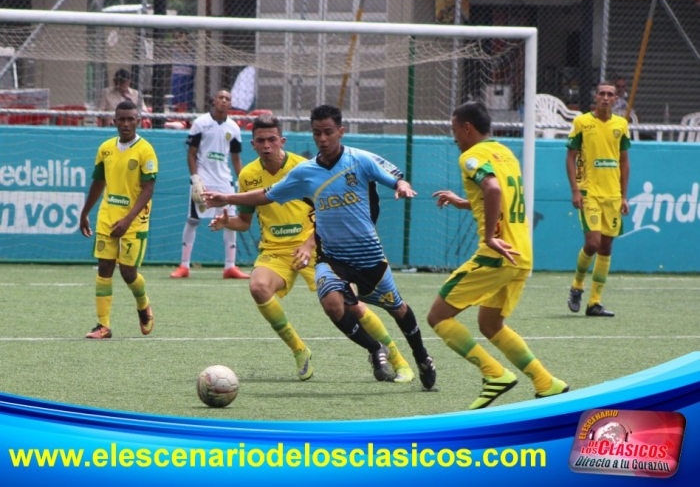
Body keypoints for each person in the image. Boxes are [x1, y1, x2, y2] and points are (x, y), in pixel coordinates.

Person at [203, 104, 437, 389]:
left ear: (340, 131)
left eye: (328, 132)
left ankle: (411, 358)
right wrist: (227, 203)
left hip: (347, 251)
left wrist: (401, 185)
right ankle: (352, 350)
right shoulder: (301, 172)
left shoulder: (354, 160)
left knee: (384, 308)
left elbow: (394, 177)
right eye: (317, 133)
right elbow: (264, 197)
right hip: (311, 254)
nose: (323, 139)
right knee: (321, 302)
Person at [428, 102, 569, 409]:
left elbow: (492, 189)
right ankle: (546, 382)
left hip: (498, 253)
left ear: (467, 128)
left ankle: (494, 374)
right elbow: (499, 193)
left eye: (455, 130)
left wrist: (490, 237)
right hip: (521, 253)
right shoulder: (504, 153)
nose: (454, 137)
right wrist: (463, 202)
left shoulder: (471, 156)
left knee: (437, 316)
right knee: (490, 324)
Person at [79, 100, 157, 339]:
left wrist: (127, 220)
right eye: (121, 119)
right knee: (104, 268)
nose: (125, 124)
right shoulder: (105, 148)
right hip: (107, 217)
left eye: (130, 119)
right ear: (114, 121)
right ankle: (103, 325)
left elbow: (148, 189)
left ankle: (143, 305)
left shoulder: (146, 151)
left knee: (128, 272)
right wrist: (84, 213)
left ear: (138, 121)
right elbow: (98, 182)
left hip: (134, 220)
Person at [566, 81, 631, 317]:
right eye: (601, 93)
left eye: (609, 94)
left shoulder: (621, 125)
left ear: (616, 99)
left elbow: (624, 161)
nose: (605, 97)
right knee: (593, 243)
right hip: (589, 192)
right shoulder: (582, 123)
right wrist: (575, 190)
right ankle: (577, 286)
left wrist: (624, 196)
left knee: (606, 246)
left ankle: (594, 302)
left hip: (612, 195)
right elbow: (570, 157)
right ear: (595, 97)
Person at [170, 90, 249, 280]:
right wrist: (195, 178)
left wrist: (244, 180)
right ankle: (184, 266)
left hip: (225, 181)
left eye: (227, 99)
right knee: (193, 219)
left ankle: (230, 267)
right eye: (220, 97)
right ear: (214, 100)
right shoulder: (200, 123)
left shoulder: (234, 127)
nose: (223, 101)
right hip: (204, 180)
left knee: (230, 220)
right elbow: (191, 154)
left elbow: (236, 158)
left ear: (230, 103)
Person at [170, 30, 196, 112]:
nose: (179, 39)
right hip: (175, 90)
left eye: (181, 36)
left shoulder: (193, 53)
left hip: (187, 91)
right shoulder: (172, 52)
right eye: (176, 37)